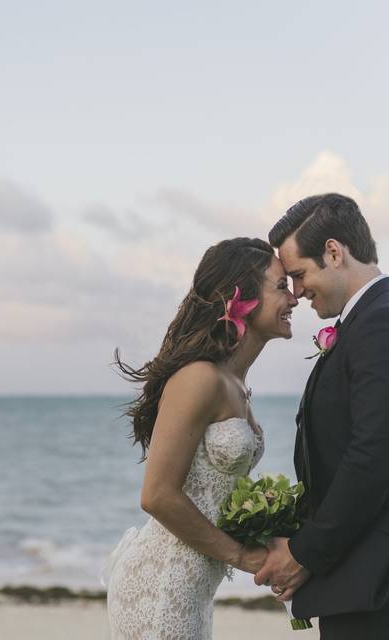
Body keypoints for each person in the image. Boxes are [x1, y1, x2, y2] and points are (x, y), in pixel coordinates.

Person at [256, 193, 389, 639]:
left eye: (299, 275)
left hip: (380, 578)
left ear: (334, 252)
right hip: (361, 572)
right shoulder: (369, 322)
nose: (297, 291)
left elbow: (374, 459)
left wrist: (303, 554)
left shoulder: (388, 325)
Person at [106, 237, 298, 640]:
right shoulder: (200, 378)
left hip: (192, 590)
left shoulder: (236, 383)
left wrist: (271, 538)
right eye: (281, 286)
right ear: (240, 297)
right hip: (160, 586)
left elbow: (211, 496)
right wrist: (242, 556)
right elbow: (157, 495)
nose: (294, 298)